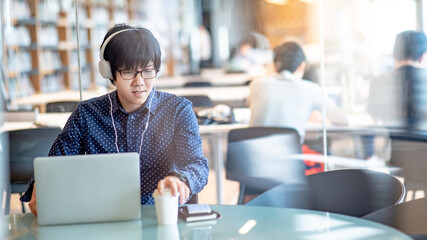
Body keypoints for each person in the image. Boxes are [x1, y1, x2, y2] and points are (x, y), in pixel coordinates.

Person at [21, 24, 209, 216]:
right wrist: (42, 184)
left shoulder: (177, 110)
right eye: (128, 72)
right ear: (109, 72)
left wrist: (181, 179)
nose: (140, 82)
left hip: (160, 216)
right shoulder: (87, 114)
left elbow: (197, 165)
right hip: (102, 216)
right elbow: (55, 164)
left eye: (148, 70)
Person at [248, 41, 348, 142]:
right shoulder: (310, 88)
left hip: (255, 154)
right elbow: (342, 120)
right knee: (325, 152)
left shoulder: (256, 85)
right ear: (302, 66)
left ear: (274, 65)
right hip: (290, 154)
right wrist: (315, 118)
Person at [368, 30, 427, 129]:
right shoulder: (424, 79)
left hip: (394, 143)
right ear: (421, 57)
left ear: (394, 54)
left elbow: (374, 118)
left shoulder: (378, 81)